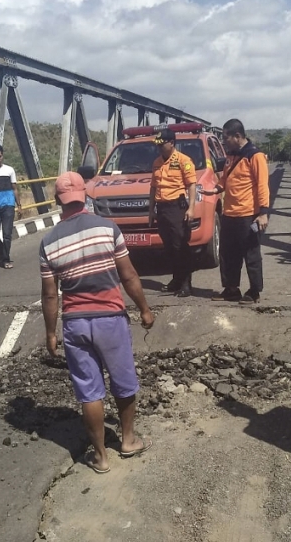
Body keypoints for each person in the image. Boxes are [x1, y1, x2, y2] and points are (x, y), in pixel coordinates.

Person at [40, 172, 155, 474]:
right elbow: (129, 275)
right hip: (109, 319)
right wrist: (144, 308)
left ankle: (101, 457)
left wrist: (50, 333)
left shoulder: (48, 242)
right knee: (123, 381)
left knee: (90, 392)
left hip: (75, 324)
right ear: (85, 195)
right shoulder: (107, 228)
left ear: (57, 202)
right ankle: (128, 441)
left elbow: (50, 295)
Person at [204, 118, 270, 304]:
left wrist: (263, 212)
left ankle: (254, 291)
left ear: (238, 136)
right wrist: (215, 189)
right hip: (229, 214)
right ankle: (231, 289)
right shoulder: (230, 156)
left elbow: (263, 185)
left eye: (226, 138)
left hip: (247, 215)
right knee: (227, 254)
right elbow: (225, 179)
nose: (224, 141)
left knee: (251, 255)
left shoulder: (254, 156)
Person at [148, 128, 198, 297]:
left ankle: (186, 283)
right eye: (158, 145)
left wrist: (191, 208)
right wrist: (151, 210)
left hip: (177, 207)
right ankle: (176, 279)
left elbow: (191, 185)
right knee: (169, 247)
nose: (159, 148)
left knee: (180, 246)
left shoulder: (184, 161)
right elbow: (153, 187)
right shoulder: (156, 162)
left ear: (172, 143)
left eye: (162, 144)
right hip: (162, 209)